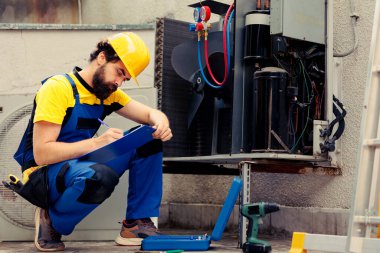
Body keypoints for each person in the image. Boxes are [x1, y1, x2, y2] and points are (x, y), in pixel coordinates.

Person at [13, 32, 172, 252]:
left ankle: (135, 224)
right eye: (119, 73)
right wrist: (97, 143)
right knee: (99, 176)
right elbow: (42, 154)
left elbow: (150, 115)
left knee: (148, 138)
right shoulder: (58, 88)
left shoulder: (107, 94)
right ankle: (52, 219)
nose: (118, 83)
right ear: (102, 57)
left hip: (82, 163)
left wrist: (161, 122)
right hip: (44, 173)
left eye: (124, 79)